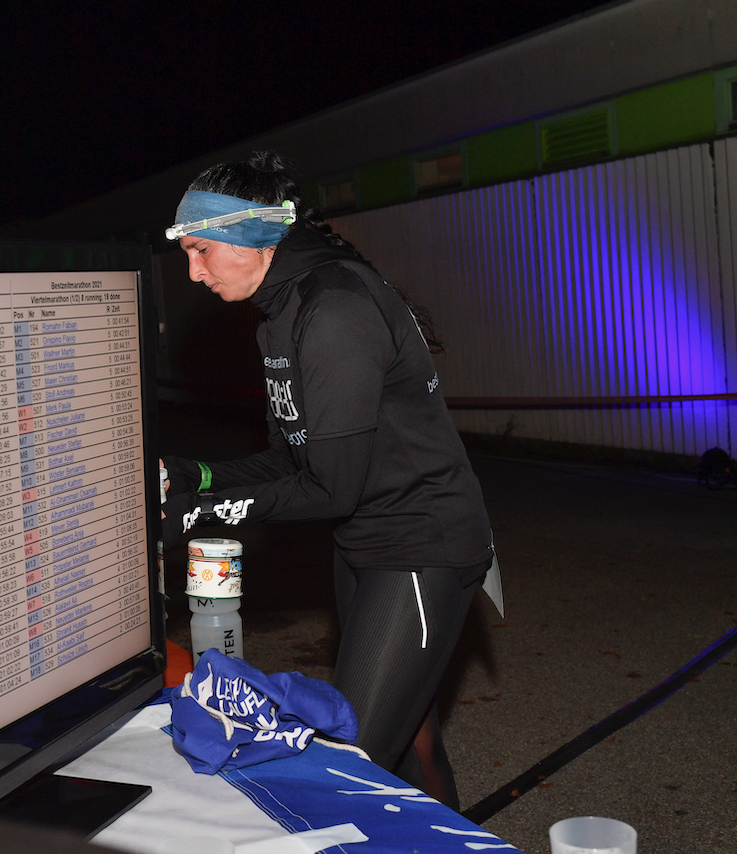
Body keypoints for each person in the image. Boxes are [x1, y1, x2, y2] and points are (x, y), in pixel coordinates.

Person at [159, 151, 496, 810]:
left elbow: (330, 487)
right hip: (365, 544)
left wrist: (190, 518)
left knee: (351, 768)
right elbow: (293, 460)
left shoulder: (334, 308)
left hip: (420, 548)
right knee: (412, 734)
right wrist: (193, 476)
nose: (193, 272)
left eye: (202, 251)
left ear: (252, 237)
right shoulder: (280, 311)